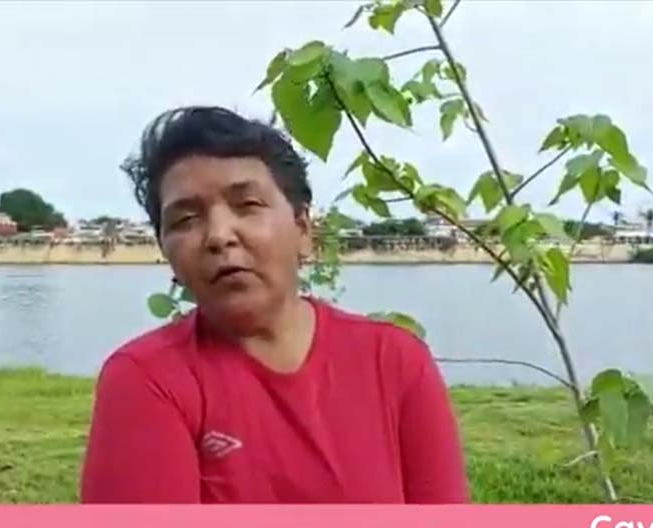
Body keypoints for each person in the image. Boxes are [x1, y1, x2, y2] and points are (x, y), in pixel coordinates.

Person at [79, 106, 468, 503]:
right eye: (185, 220)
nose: (219, 236)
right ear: (166, 251)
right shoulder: (147, 379)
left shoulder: (396, 362)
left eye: (247, 204)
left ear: (302, 229)